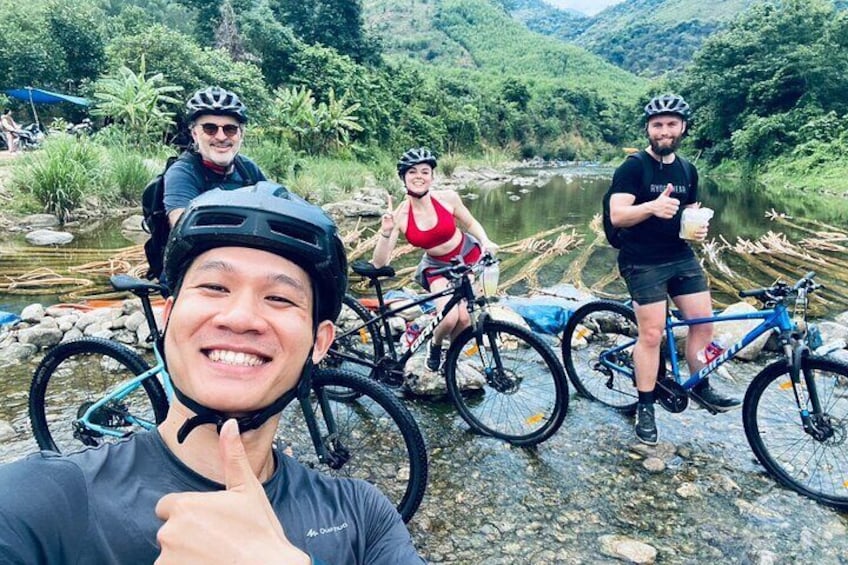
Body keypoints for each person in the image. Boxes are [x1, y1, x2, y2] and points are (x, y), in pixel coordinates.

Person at [0, 183, 425, 564]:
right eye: (214, 287)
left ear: (320, 342)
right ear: (168, 315)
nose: (240, 318)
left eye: (279, 298)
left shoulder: (362, 516)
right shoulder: (41, 501)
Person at [608, 93, 740, 446]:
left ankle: (701, 384)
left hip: (679, 254)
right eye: (657, 125)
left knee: (703, 323)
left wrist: (695, 223)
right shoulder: (633, 167)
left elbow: (688, 210)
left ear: (682, 128)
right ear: (648, 130)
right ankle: (646, 404)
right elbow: (617, 215)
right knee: (651, 336)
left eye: (670, 124)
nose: (663, 131)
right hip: (641, 259)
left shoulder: (687, 169)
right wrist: (652, 206)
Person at [372, 148, 498, 372]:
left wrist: (486, 240)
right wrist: (385, 231)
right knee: (449, 319)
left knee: (466, 319)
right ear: (403, 177)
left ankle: (452, 358)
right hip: (437, 267)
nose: (419, 176)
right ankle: (435, 344)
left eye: (425, 171)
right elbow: (380, 262)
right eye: (412, 172)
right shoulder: (400, 214)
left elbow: (470, 223)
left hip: (467, 256)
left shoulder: (447, 198)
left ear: (432, 176)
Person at [163, 86, 267, 227]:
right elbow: (181, 225)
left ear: (241, 134)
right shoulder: (182, 173)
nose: (221, 137)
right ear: (195, 134)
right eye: (210, 129)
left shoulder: (248, 169)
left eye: (230, 129)